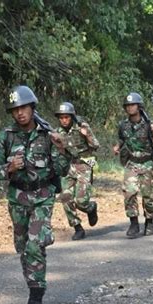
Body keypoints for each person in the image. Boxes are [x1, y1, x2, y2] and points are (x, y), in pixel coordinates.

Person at [0, 85, 70, 304]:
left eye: (23, 107)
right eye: (15, 109)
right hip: (17, 199)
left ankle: (36, 297)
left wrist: (62, 149)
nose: (19, 113)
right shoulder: (6, 136)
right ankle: (33, 284)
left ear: (32, 107)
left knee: (35, 244)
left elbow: (62, 170)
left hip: (43, 197)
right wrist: (9, 167)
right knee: (24, 247)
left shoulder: (48, 134)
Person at [113, 92, 153, 238]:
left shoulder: (149, 124)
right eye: (127, 105)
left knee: (148, 196)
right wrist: (117, 146)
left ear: (139, 106)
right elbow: (122, 139)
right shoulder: (123, 125)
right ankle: (134, 223)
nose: (130, 108)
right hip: (131, 163)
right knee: (129, 193)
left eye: (133, 105)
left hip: (147, 163)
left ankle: (149, 221)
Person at [55, 102, 100, 240]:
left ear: (72, 117)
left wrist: (86, 135)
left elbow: (96, 145)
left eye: (66, 117)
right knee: (65, 197)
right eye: (61, 117)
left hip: (85, 165)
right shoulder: (59, 132)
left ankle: (90, 207)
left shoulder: (82, 127)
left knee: (81, 201)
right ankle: (77, 227)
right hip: (69, 166)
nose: (64, 120)